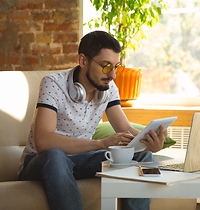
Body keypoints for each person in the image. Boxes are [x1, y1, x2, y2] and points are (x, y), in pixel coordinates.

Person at [17, 30, 167, 210]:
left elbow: (125, 128)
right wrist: (100, 144)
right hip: (41, 162)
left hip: (81, 160)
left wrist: (150, 140)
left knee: (143, 156)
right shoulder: (53, 83)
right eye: (105, 66)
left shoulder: (108, 88)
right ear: (83, 61)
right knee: (56, 155)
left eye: (115, 67)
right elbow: (43, 141)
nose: (112, 75)